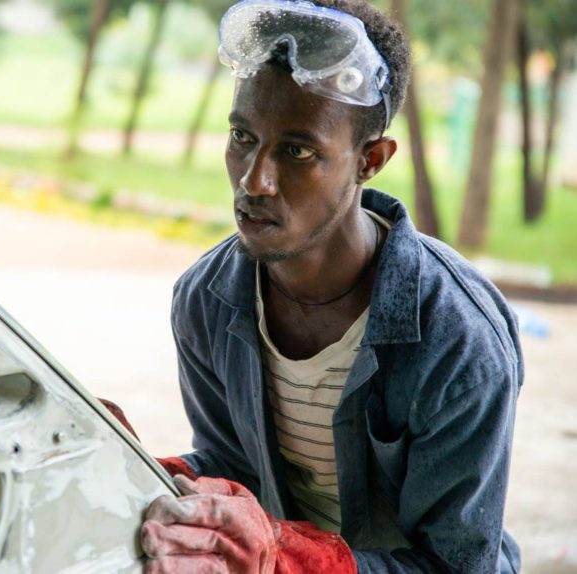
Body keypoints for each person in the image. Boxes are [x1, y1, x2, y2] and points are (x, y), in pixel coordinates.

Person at [122, 0, 524, 572]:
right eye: (242, 136)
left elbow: (457, 565)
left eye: (297, 151)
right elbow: (236, 469)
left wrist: (289, 558)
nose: (254, 181)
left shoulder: (457, 338)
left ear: (370, 160)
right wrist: (141, 470)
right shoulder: (205, 299)